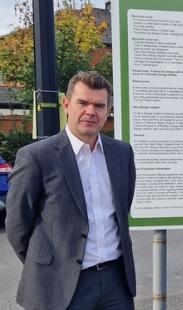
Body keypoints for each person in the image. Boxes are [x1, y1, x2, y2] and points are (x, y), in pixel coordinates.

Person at [6, 71, 136, 310]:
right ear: (66, 104)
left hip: (115, 282)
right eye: (82, 102)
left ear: (107, 111)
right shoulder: (37, 157)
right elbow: (17, 226)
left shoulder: (122, 153)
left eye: (99, 105)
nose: (90, 111)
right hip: (60, 286)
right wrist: (49, 264)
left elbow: (122, 208)